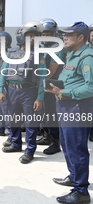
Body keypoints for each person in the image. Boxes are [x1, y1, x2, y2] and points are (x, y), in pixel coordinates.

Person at [46, 21, 93, 204]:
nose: (64, 37)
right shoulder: (73, 55)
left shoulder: (87, 57)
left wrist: (63, 92)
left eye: (68, 35)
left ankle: (81, 191)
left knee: (77, 147)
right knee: (67, 144)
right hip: (65, 106)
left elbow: (91, 87)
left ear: (80, 38)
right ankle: (74, 177)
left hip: (77, 107)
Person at [0, 21, 46, 164]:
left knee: (30, 123)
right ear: (21, 37)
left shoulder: (39, 55)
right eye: (29, 36)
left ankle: (30, 150)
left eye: (34, 36)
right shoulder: (11, 53)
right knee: (13, 119)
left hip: (29, 92)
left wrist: (40, 97)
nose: (32, 39)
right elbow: (3, 73)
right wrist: (0, 90)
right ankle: (15, 143)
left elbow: (43, 77)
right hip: (12, 90)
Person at [36, 18, 63, 155]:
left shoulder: (56, 48)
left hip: (52, 86)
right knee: (45, 113)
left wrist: (40, 84)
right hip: (44, 86)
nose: (45, 36)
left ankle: (56, 142)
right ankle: (47, 137)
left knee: (52, 114)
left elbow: (51, 71)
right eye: (43, 34)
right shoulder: (42, 48)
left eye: (48, 34)